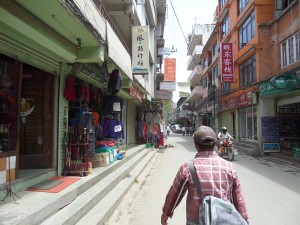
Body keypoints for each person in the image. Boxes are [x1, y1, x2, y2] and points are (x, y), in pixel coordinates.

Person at [161, 125, 249, 225]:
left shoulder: (187, 168)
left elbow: (175, 194)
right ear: (215, 144)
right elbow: (238, 200)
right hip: (223, 221)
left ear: (195, 145)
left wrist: (166, 213)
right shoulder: (229, 168)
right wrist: (244, 220)